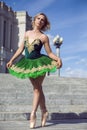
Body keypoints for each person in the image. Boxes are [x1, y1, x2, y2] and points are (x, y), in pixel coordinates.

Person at [6, 13, 62, 129]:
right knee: (38, 88)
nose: (40, 21)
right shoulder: (27, 33)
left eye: (43, 20)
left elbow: (50, 53)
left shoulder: (44, 37)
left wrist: (58, 59)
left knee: (37, 89)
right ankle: (45, 111)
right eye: (38, 18)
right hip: (27, 64)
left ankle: (33, 114)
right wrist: (12, 59)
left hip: (40, 64)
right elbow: (21, 49)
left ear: (44, 23)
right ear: (34, 20)